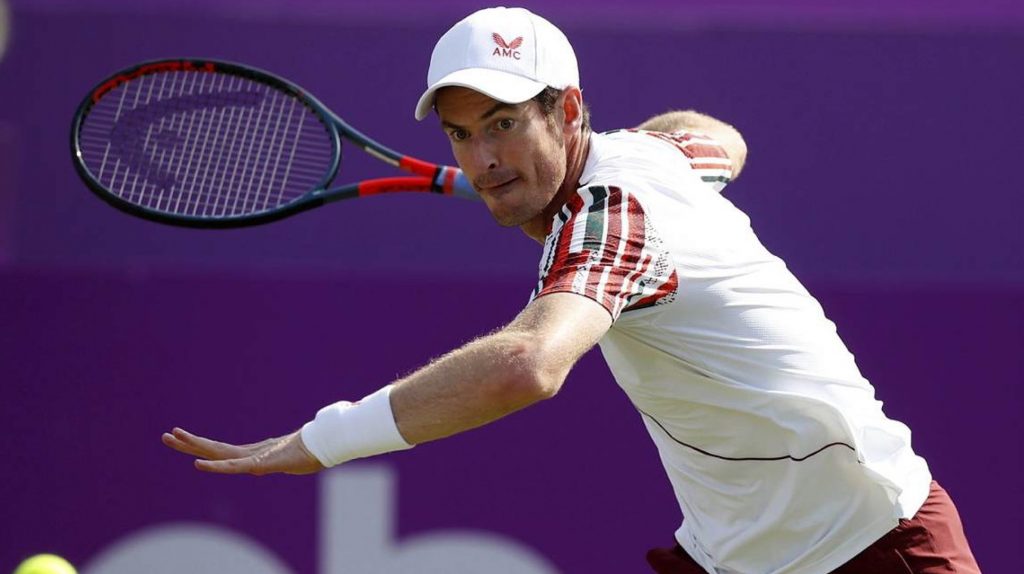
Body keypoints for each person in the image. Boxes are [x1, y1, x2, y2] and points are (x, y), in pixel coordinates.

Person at [163, 7, 980, 573]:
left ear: (569, 111)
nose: (482, 158)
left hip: (871, 549)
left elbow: (527, 366)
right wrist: (557, 169)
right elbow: (717, 140)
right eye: (463, 134)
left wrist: (322, 441)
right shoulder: (647, 162)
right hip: (744, 552)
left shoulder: (612, 211)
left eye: (506, 123)